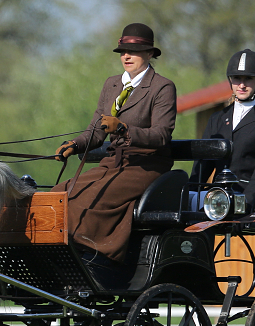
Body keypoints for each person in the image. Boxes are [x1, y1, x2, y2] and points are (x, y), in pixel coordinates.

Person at [52, 23, 176, 266]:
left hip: (145, 166)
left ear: (150, 53)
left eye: (134, 51)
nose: (126, 56)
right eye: (122, 51)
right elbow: (95, 131)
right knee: (58, 194)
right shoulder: (112, 85)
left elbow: (162, 135)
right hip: (113, 162)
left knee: (89, 200)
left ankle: (94, 257)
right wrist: (74, 145)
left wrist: (123, 129)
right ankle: (62, 257)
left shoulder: (162, 87)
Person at [190, 49, 255, 212]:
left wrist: (244, 203)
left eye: (248, 78)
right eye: (237, 78)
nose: (241, 84)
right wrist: (189, 195)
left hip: (251, 202)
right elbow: (203, 166)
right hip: (217, 201)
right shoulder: (217, 119)